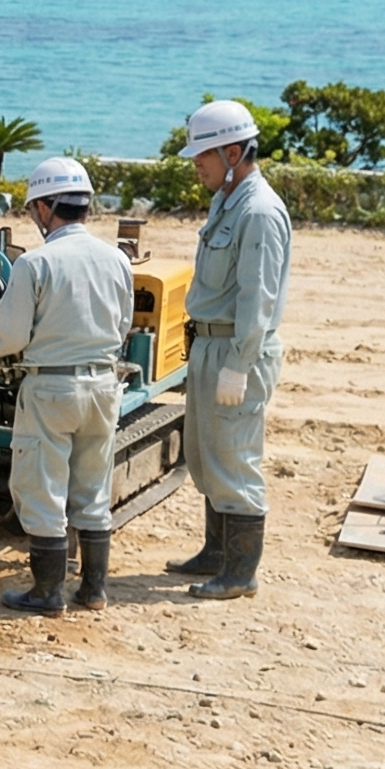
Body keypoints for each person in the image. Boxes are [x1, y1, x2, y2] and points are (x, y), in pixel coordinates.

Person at [0, 158, 134, 616]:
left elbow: (9, 337)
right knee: (91, 488)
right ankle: (93, 589)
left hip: (52, 389)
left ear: (47, 208)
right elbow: (123, 322)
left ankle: (47, 592)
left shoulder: (36, 262)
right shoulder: (117, 260)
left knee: (43, 486)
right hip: (104, 385)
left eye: (35, 209)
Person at [167, 99, 294, 600]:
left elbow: (257, 297)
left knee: (235, 458)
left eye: (204, 156)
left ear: (234, 151)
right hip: (210, 346)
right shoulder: (228, 199)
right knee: (206, 452)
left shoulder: (259, 211)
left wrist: (239, 364)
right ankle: (216, 552)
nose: (196, 164)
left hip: (236, 351)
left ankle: (240, 573)